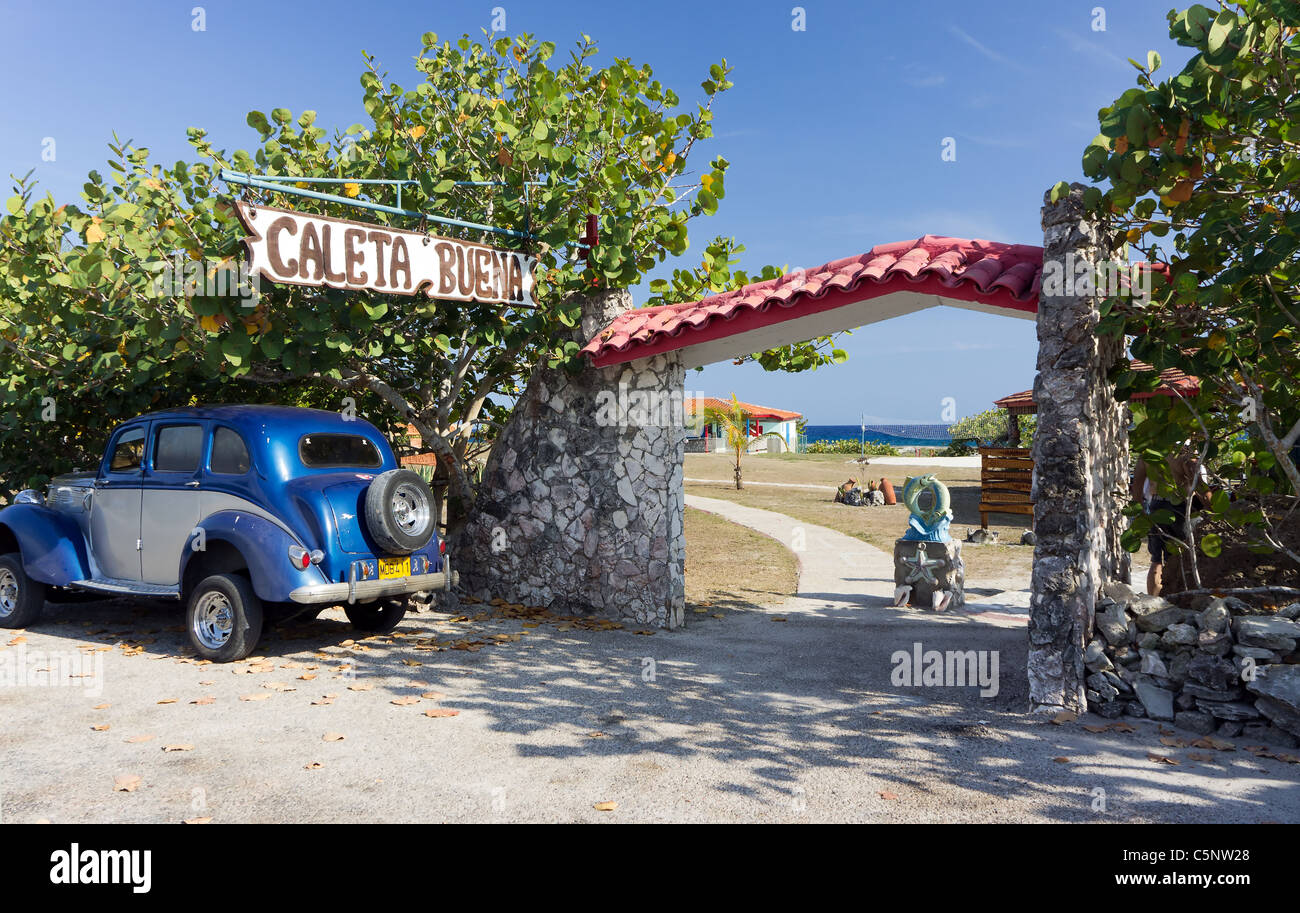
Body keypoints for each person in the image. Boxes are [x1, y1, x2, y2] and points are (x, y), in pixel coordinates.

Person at [1130, 447, 1206, 597]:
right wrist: (1213, 508)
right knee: (1182, 558)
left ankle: (1154, 600)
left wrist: (1142, 513)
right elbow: (1198, 484)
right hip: (1180, 507)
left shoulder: (1147, 454)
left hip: (1156, 505)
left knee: (1156, 560)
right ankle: (1179, 599)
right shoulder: (1183, 453)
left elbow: (1137, 487)